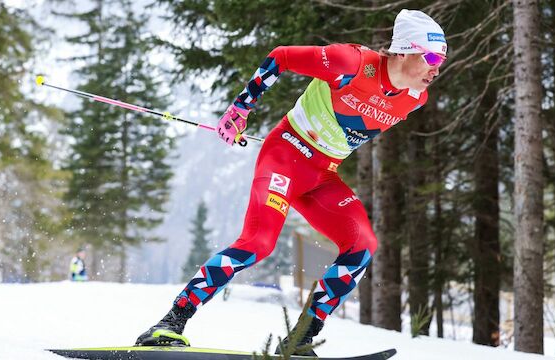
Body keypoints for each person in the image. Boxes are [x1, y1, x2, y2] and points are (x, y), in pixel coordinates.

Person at [136, 9, 447, 355]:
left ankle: (301, 338)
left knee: (362, 245)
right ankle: (170, 322)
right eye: (431, 56)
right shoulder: (351, 62)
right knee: (258, 243)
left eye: (442, 59)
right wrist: (241, 109)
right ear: (403, 50)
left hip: (322, 175)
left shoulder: (416, 99)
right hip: (284, 156)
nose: (437, 67)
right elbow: (280, 56)